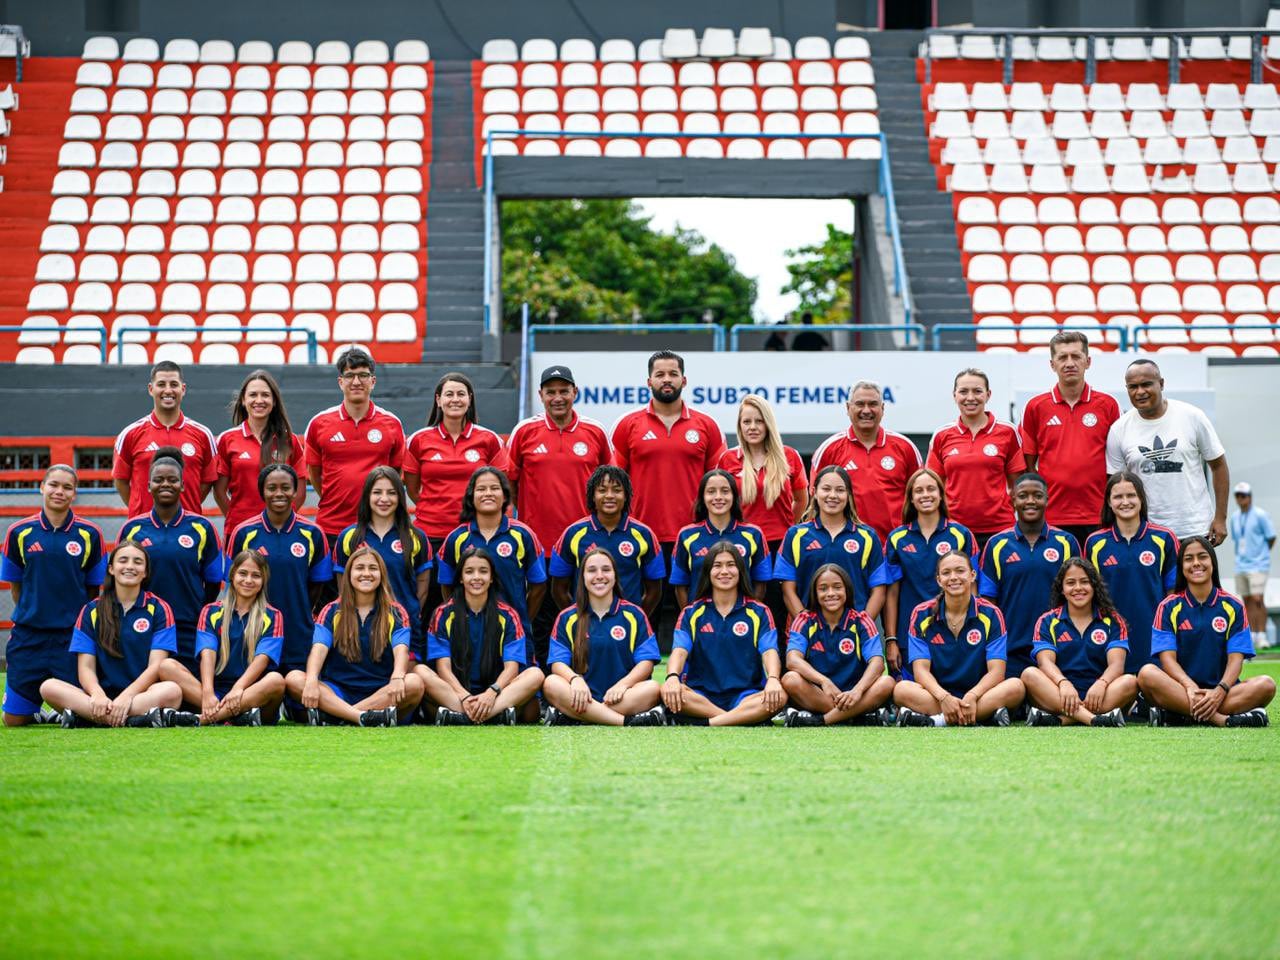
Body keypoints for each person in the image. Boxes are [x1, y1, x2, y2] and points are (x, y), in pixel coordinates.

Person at [40, 542, 195, 728]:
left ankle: (88, 719)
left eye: (137, 562)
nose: (130, 566)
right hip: (100, 698)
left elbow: (155, 667)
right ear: (112, 569)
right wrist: (97, 694)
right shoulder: (91, 610)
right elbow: (86, 667)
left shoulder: (160, 609)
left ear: (145, 572)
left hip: (140, 695)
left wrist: (127, 696)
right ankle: (136, 720)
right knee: (48, 687)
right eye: (123, 560)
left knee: (172, 691)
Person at [0, 465, 106, 725]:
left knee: (79, 710)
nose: (59, 491)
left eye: (67, 487)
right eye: (54, 485)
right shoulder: (19, 532)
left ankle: (54, 712)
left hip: (69, 638)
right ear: (42, 487)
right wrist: (35, 611)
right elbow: (17, 588)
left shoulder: (89, 534)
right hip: (29, 636)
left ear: (74, 493)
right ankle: (40, 714)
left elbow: (93, 591)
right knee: (13, 720)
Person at [1139, 537, 1275, 727]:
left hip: (1223, 691)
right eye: (1188, 559)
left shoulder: (1233, 606)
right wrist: (1189, 686)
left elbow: (1236, 660)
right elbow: (1167, 659)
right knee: (1147, 674)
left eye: (1202, 557)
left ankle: (1178, 716)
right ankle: (1221, 720)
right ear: (1181, 567)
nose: (1196, 563)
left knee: (1266, 685)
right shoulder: (1168, 606)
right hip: (1182, 689)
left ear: (1213, 563)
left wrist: (1220, 690)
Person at [285, 546, 425, 726]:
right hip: (337, 691)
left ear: (382, 574)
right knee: (294, 678)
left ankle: (341, 716)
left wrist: (398, 676)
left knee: (414, 683)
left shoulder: (396, 612)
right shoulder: (331, 610)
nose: (366, 573)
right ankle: (362, 717)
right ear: (349, 575)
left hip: (381, 691)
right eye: (359, 568)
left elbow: (402, 651)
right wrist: (312, 680)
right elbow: (318, 649)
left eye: (373, 568)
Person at [119, 448, 225, 672]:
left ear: (183, 485)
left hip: (187, 624)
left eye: (172, 480)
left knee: (186, 693)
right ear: (148, 486)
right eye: (158, 480)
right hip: (143, 623)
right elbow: (119, 579)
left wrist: (196, 612)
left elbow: (214, 582)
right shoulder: (133, 528)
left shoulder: (202, 528)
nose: (165, 484)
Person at [610, 350, 726, 550]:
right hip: (639, 535)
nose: (667, 379)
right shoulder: (627, 424)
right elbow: (613, 484)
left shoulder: (708, 425)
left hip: (696, 535)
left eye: (673, 374)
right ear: (649, 381)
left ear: (684, 380)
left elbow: (723, 484)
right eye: (660, 375)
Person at [1105, 359, 1229, 544]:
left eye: (1146, 384)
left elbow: (1218, 466)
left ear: (1161, 384)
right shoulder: (1119, 429)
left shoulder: (1192, 416)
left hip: (1194, 529)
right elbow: (1114, 485)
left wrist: (1220, 518)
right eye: (1133, 387)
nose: (1140, 392)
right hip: (1146, 533)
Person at [894, 551, 1024, 727]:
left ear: (972, 575)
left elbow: (996, 672)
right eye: (946, 573)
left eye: (960, 571)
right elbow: (921, 671)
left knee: (1016, 687)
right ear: (939, 580)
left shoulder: (992, 613)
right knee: (901, 689)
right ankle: (982, 717)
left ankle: (937, 721)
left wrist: (972, 695)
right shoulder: (921, 613)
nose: (953, 577)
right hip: (937, 696)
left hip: (979, 694)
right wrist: (944, 697)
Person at [157, 551, 286, 726]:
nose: (248, 580)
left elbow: (262, 660)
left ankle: (204, 719)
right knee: (166, 666)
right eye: (243, 573)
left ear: (263, 581)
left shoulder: (273, 615)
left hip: (250, 694)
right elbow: (207, 655)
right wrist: (208, 693)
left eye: (256, 576)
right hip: (214, 695)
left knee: (276, 681)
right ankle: (234, 717)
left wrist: (238, 689)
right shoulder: (211, 611)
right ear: (232, 575)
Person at [662, 542, 785, 726]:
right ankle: (738, 719)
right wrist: (672, 677)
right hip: (701, 695)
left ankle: (709, 722)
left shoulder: (759, 611)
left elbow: (769, 651)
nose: (725, 571)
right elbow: (679, 651)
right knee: (667, 690)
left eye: (731, 565)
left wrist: (774, 679)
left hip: (746, 694)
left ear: (741, 571)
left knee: (780, 696)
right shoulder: (691, 612)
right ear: (708, 572)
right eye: (717, 565)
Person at [225, 465, 333, 674]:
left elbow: (318, 584)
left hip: (298, 632)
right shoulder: (243, 532)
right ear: (262, 492)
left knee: (300, 699)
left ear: (295, 491)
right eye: (271, 488)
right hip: (253, 632)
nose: (279, 493)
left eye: (285, 487)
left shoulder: (313, 533)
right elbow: (233, 583)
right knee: (259, 698)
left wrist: (299, 609)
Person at [420, 546, 546, 725]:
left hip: (496, 693)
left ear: (492, 578)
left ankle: (470, 716)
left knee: (535, 674)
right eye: (469, 572)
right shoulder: (443, 613)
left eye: (483, 571)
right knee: (420, 672)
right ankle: (491, 716)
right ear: (461, 579)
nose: (476, 577)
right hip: (457, 693)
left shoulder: (508, 615)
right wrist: (464, 696)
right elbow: (443, 669)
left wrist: (491, 693)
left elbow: (511, 669)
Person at [542, 546, 666, 726]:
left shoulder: (634, 614)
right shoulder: (567, 617)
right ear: (582, 578)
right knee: (551, 683)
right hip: (580, 695)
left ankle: (575, 716)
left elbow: (646, 663)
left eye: (606, 570)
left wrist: (623, 685)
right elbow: (557, 663)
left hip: (621, 697)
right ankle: (625, 722)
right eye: (592, 570)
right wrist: (575, 680)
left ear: (615, 576)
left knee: (652, 688)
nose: (599, 575)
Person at [1018, 331, 1121, 546]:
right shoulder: (1036, 407)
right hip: (1052, 516)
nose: (1069, 363)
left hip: (1099, 515)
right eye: (1062, 358)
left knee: (1096, 579)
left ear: (1088, 361)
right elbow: (1028, 464)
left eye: (1076, 356)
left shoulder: (1108, 405)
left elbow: (1117, 462)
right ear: (1052, 364)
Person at [505, 365, 611, 564]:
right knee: (537, 595)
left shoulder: (595, 431)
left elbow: (611, 483)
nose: (557, 398)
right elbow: (509, 482)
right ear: (540, 395)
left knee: (582, 596)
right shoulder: (524, 431)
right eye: (550, 392)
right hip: (536, 541)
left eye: (564, 391)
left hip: (586, 540)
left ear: (575, 392)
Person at [978, 473, 1080, 678]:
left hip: (1057, 646)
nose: (1031, 501)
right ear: (1013, 500)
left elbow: (1081, 597)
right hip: (1011, 647)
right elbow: (988, 602)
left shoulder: (1066, 542)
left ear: (1047, 499)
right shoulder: (997, 545)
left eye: (1037, 495)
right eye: (1023, 495)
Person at [883, 467, 978, 679]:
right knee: (907, 690)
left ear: (941, 494)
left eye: (931, 489)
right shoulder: (897, 538)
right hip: (909, 631)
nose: (925, 495)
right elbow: (891, 593)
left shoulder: (961, 534)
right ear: (911, 498)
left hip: (954, 629)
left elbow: (972, 587)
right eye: (919, 491)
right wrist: (891, 640)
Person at [305, 347, 406, 540]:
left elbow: (395, 473)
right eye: (350, 375)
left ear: (373, 381)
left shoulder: (392, 423)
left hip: (378, 528)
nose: (357, 382)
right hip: (331, 526)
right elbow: (314, 474)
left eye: (363, 375)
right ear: (340, 382)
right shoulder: (319, 423)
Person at [1022, 558, 1138, 727]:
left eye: (1084, 582)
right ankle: (1095, 720)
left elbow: (1116, 666)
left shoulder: (1113, 620)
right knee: (1029, 674)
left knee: (1131, 681)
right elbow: (1045, 663)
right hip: (1059, 693)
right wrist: (1064, 684)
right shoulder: (1047, 620)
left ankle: (1061, 720)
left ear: (1094, 586)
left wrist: (1101, 684)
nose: (1078, 588)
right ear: (1062, 589)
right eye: (1070, 583)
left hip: (1099, 694)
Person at [333, 467, 433, 661]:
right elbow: (342, 585)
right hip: (360, 628)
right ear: (367, 496)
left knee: (408, 684)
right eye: (377, 492)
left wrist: (403, 612)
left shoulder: (416, 537)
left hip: (405, 627)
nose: (384, 499)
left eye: (391, 493)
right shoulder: (349, 537)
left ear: (400, 497)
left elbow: (422, 587)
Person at [1085, 472, 1179, 677]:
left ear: (1141, 499)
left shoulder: (1164, 538)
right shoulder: (1095, 542)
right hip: (1112, 634)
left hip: (1153, 631)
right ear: (1109, 502)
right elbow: (1090, 595)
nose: (1125, 502)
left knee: (1152, 683)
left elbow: (1174, 592)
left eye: (1131, 495)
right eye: (1118, 497)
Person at [437, 466, 546, 640]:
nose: (488, 493)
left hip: (514, 635)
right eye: (481, 489)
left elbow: (538, 586)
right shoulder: (456, 538)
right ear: (471, 497)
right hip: (469, 634)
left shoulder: (523, 535)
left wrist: (521, 619)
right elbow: (447, 585)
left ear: (505, 496)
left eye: (494, 488)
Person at [780, 564, 896, 726]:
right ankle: (856, 717)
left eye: (837, 587)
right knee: (790, 679)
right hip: (821, 694)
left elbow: (877, 663)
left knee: (887, 682)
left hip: (855, 695)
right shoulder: (804, 619)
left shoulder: (861, 619)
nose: (831, 593)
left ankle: (822, 720)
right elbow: (792, 660)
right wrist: (824, 682)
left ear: (847, 590)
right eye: (823, 588)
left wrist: (858, 691)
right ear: (815, 593)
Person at [773, 465, 889, 623]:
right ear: (814, 492)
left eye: (840, 490)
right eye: (826, 489)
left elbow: (879, 590)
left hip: (854, 634)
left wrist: (863, 627)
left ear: (848, 495)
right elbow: (787, 590)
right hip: (809, 635)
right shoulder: (795, 535)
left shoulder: (868, 536)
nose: (833, 495)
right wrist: (806, 626)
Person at [926, 368, 1027, 548]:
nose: (970, 398)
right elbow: (934, 485)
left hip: (1000, 529)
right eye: (963, 391)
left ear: (988, 395)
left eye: (977, 391)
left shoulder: (1007, 432)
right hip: (954, 529)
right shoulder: (942, 435)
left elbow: (1017, 486)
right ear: (954, 395)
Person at [811, 380, 922, 542]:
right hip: (845, 545)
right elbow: (815, 498)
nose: (866, 410)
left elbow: (921, 495)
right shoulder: (829, 449)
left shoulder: (905, 447)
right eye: (860, 404)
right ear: (848, 408)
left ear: (882, 409)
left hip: (896, 546)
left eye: (873, 404)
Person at [404, 372, 505, 545]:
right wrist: (435, 510)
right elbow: (413, 490)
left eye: (461, 394)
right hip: (429, 534)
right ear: (438, 400)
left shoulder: (489, 439)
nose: (455, 399)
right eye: (449, 394)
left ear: (470, 399)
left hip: (475, 533)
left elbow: (503, 487)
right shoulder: (418, 440)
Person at [550, 465, 665, 618]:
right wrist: (579, 618)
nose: (609, 496)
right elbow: (558, 589)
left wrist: (636, 618)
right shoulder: (573, 534)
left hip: (627, 627)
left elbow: (654, 591)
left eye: (617, 490)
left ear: (626, 496)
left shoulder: (644, 535)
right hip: (585, 627)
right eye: (602, 490)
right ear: (592, 496)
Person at [113, 361, 217, 517]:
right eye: (161, 384)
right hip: (143, 528)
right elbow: (121, 482)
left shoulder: (203, 434)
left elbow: (207, 481)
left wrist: (187, 507)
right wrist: (142, 510)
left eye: (174, 384)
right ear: (151, 389)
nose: (168, 390)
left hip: (188, 528)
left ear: (183, 389)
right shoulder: (130, 434)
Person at [214, 370, 307, 535]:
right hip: (240, 531)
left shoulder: (288, 441)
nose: (259, 400)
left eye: (265, 395)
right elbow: (220, 492)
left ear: (274, 401)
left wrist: (282, 518)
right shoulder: (227, 439)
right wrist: (238, 522)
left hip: (280, 531)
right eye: (253, 395)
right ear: (243, 400)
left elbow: (300, 490)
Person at [716, 395, 808, 549]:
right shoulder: (727, 459)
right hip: (740, 542)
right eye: (746, 422)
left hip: (782, 544)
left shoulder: (789, 456)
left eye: (759, 421)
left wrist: (788, 527)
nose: (752, 427)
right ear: (740, 426)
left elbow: (801, 500)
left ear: (768, 424)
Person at [670, 470, 770, 608]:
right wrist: (690, 618)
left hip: (741, 624)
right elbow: (680, 587)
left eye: (725, 491)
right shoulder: (686, 535)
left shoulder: (753, 534)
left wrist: (750, 616)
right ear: (702, 497)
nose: (718, 497)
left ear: (734, 496)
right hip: (701, 622)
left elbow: (761, 584)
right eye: (711, 491)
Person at [1228, 481, 1275, 651]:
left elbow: (1271, 537)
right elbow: (1237, 539)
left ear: (1250, 497)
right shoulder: (1235, 518)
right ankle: (1252, 635)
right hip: (1241, 564)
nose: (1241, 499)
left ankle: (1261, 635)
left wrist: (1262, 555)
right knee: (1246, 600)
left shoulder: (1261, 515)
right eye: (1238, 496)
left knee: (1257, 598)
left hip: (1258, 564)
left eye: (1244, 496)